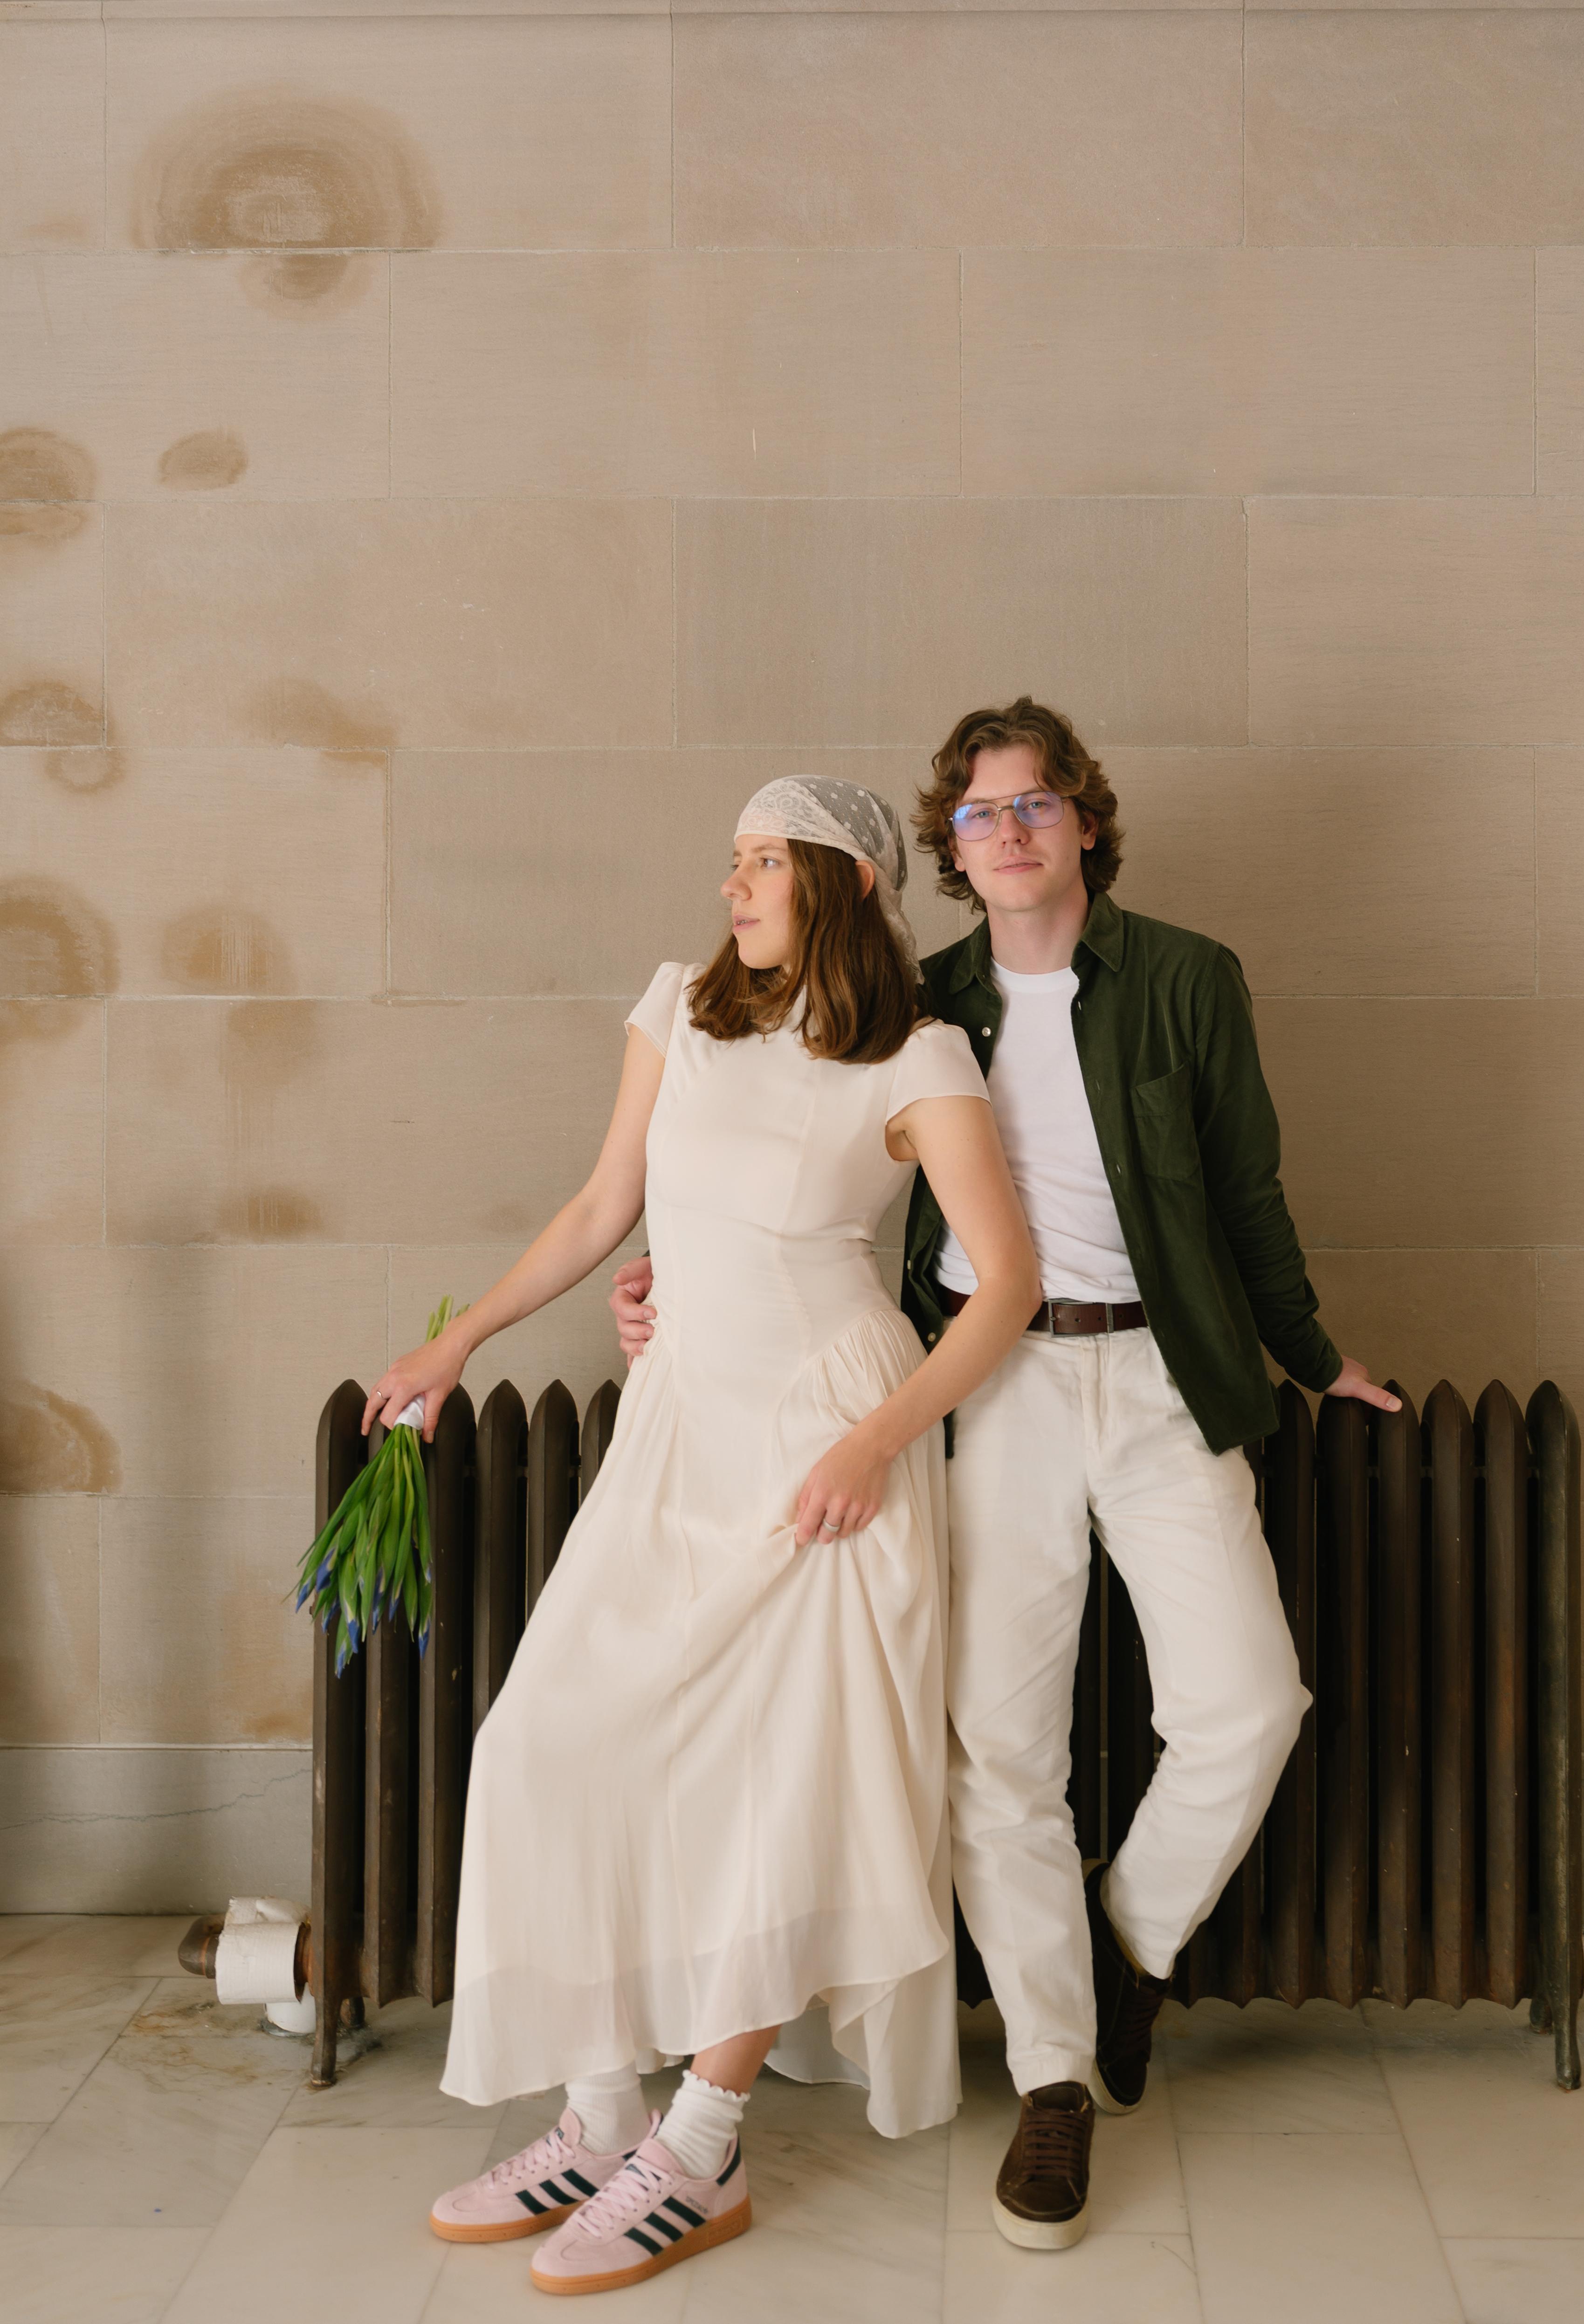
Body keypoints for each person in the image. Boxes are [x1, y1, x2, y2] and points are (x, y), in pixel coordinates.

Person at [614, 701, 1398, 2255]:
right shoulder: (922, 1004)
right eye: (980, 814)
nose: (1012, 830)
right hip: (994, 1382)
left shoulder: (1189, 979)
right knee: (997, 1745)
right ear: (953, 853)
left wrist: (1315, 1356)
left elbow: (1248, 1191)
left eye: (1037, 802)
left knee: (1251, 1704)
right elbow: (792, 1174)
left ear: (1085, 821)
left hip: (1166, 1373)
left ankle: (1120, 1955)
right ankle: (1054, 2075)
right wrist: (666, 1288)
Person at [366, 777, 1040, 2298]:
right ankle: (603, 2112)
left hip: (829, 1442)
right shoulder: (681, 1006)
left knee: (780, 1789)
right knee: (548, 1739)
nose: (732, 885)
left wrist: (876, 1442)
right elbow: (605, 1203)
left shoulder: (918, 1051)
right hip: (678, 1432)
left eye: (763, 862)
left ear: (846, 883)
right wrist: (459, 1338)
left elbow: (1003, 1281)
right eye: (731, 860)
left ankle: (705, 2140)